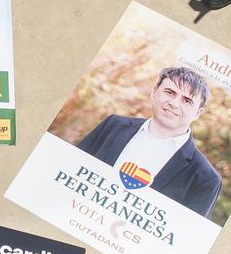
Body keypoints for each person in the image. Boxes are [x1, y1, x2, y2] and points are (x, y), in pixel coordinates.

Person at [72, 67, 222, 217]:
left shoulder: (205, 179)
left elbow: (184, 236)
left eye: (187, 100)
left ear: (198, 113)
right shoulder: (112, 126)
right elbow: (70, 171)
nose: (174, 104)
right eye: (170, 92)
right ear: (154, 92)